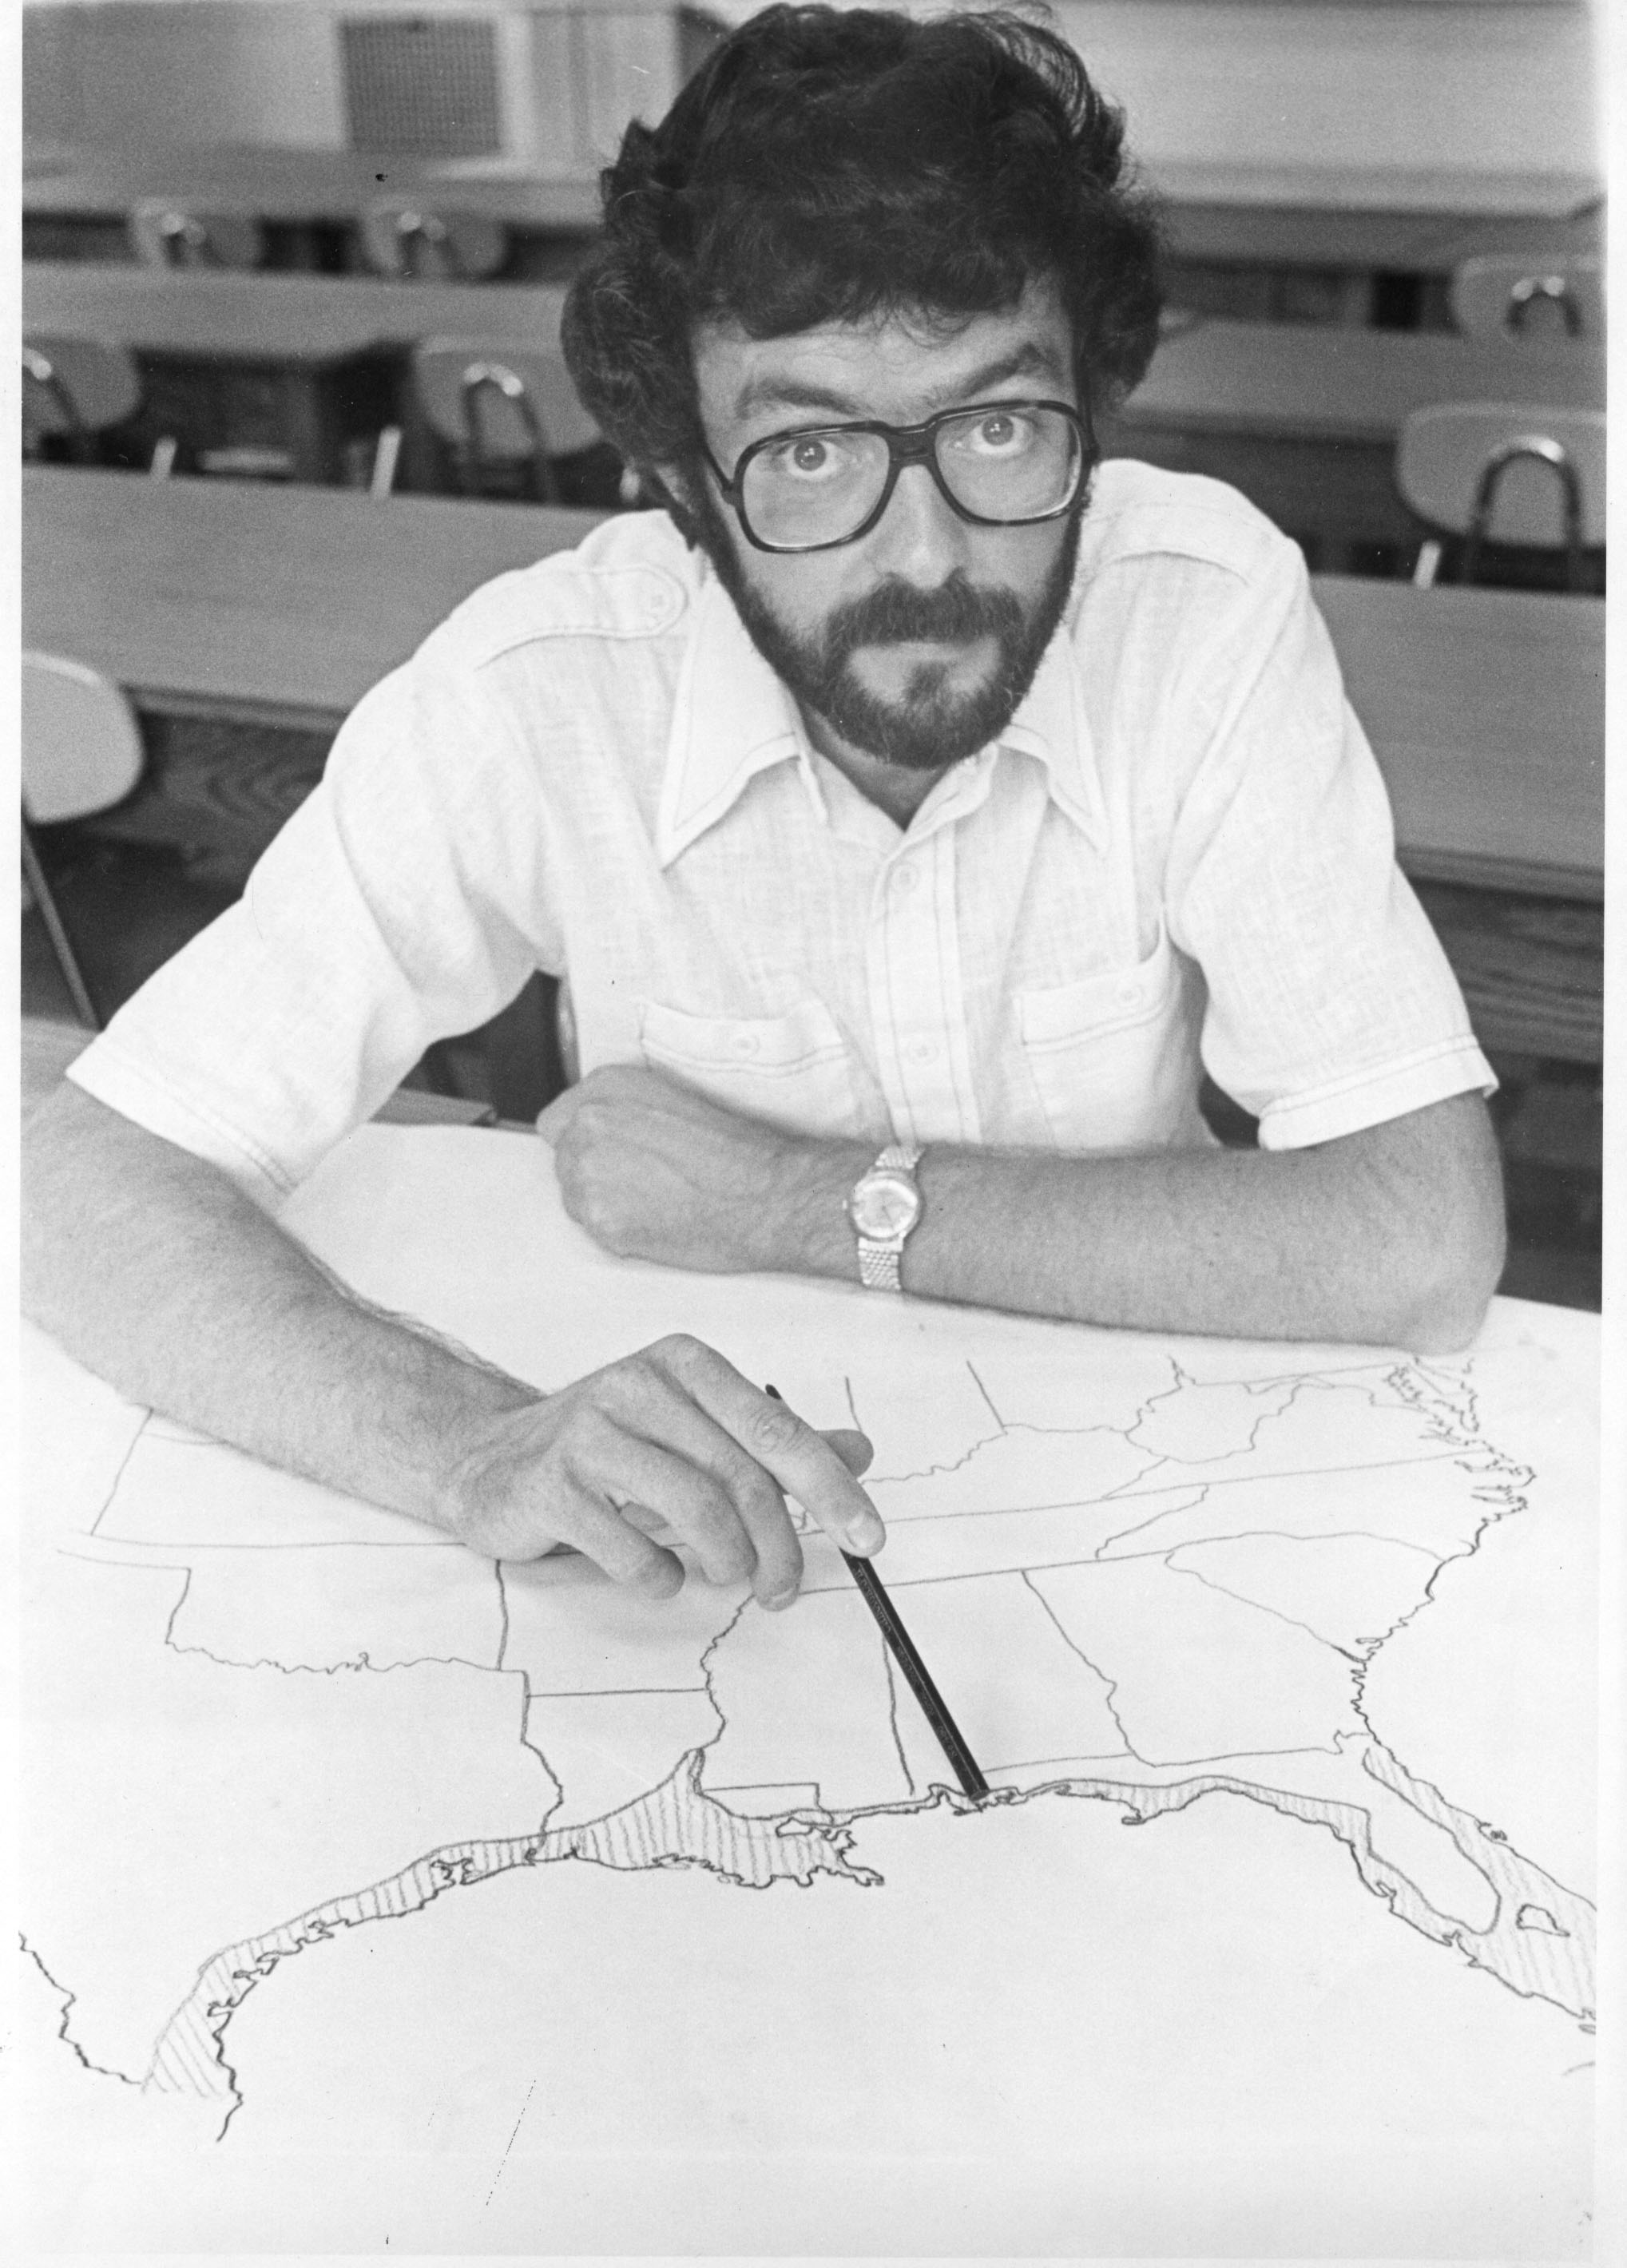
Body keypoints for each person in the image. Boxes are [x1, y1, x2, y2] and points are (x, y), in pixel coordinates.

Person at [22, 5, 1504, 1614]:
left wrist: (785, 1200)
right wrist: (468, 1447)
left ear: (1098, 410)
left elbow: (1415, 1238)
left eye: (997, 426)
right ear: (677, 481)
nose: (927, 554)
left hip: (1146, 1515)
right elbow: (82, 1183)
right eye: (806, 451)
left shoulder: (1197, 608)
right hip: (723, 1586)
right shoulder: (544, 686)